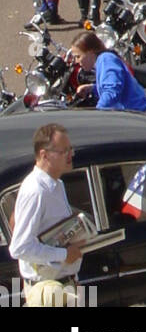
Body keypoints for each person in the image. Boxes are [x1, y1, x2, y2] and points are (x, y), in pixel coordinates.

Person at [8, 123, 84, 299]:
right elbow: (19, 248)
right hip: (47, 292)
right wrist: (64, 255)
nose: (70, 155)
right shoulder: (36, 191)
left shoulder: (57, 185)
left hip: (65, 286)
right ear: (44, 155)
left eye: (70, 149)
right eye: (63, 151)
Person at [68, 31, 146, 112]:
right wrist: (92, 88)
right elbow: (117, 87)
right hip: (134, 115)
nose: (76, 61)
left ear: (90, 52)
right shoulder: (102, 61)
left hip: (143, 115)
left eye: (78, 56)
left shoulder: (106, 59)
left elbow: (112, 92)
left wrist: (96, 114)